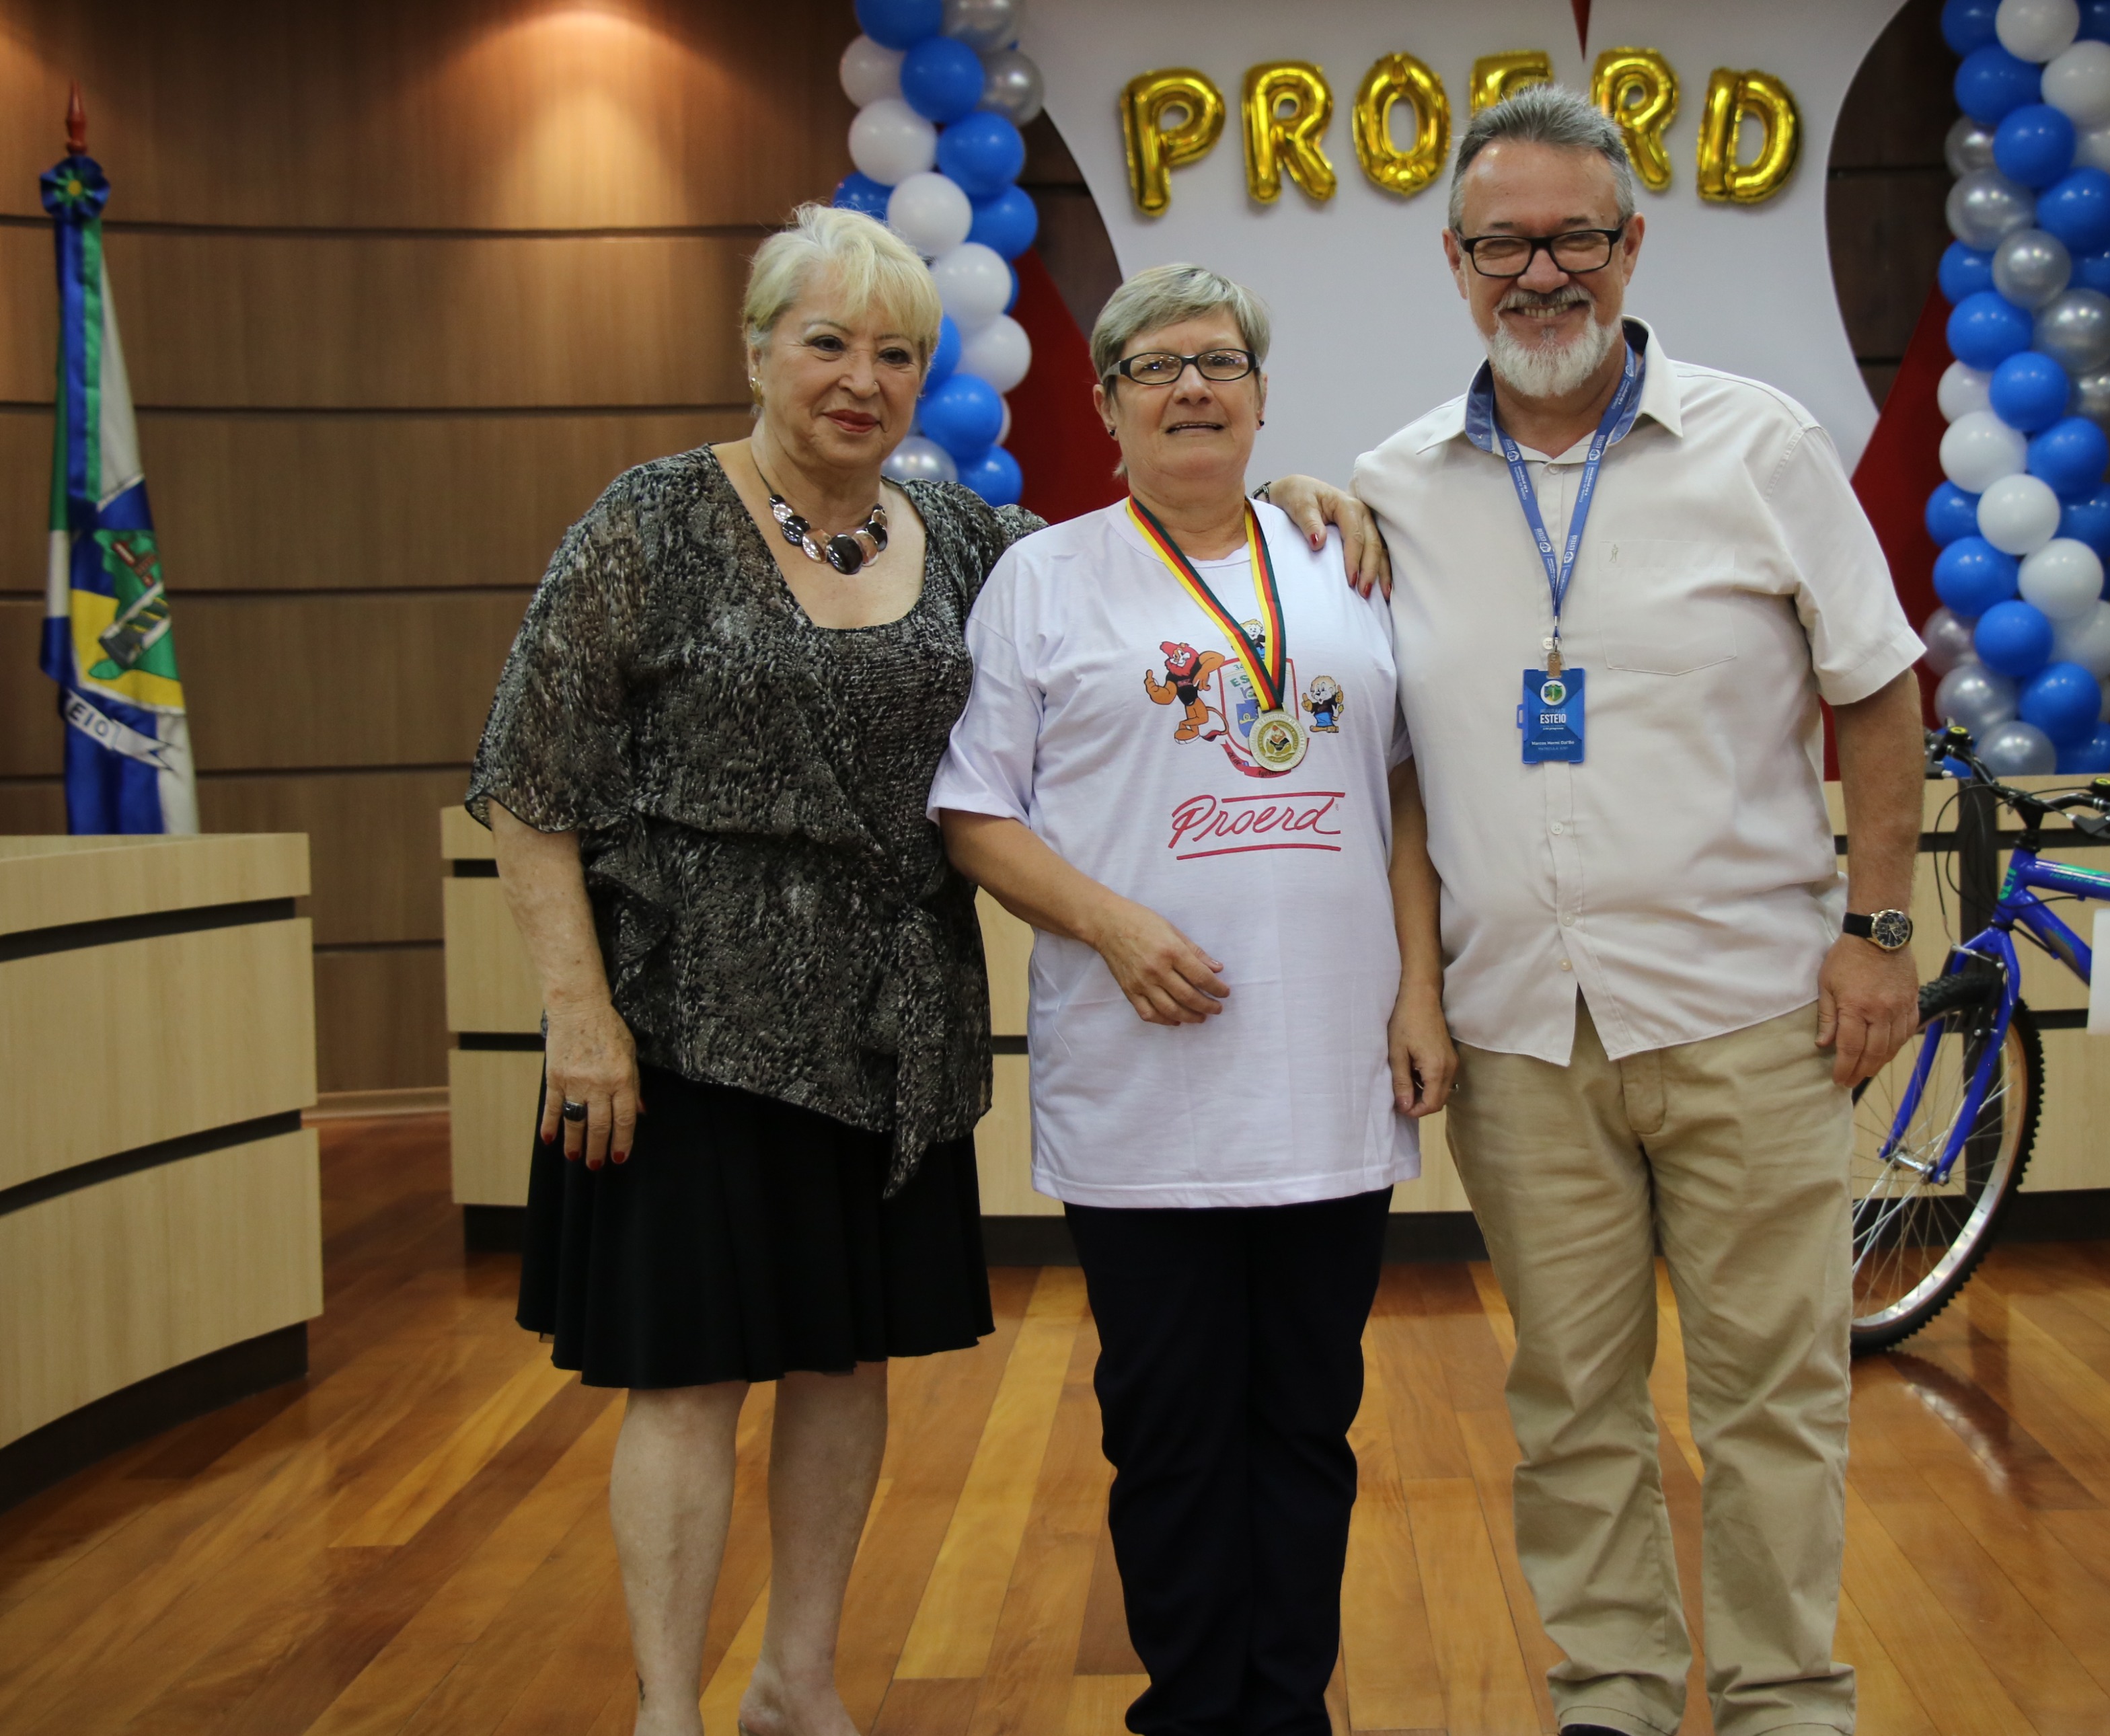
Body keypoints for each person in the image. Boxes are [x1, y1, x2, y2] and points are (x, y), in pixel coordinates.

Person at [465, 206, 1381, 1736]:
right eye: (827, 342)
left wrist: (1288, 499)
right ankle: (666, 1710)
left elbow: (1155, 566)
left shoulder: (964, 539)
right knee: (688, 1378)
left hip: (894, 1036)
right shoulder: (652, 520)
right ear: (756, 349)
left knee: (844, 1366)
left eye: (896, 353)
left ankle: (796, 1681)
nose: (863, 379)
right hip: (690, 1024)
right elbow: (527, 773)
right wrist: (578, 1011)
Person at [1349, 88, 1925, 1736]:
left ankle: (1783, 1697)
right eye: (1504, 245)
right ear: (1455, 262)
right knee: (1568, 1400)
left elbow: (1878, 690)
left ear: (1631, 245)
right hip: (1522, 1033)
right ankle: (1611, 1690)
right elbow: (1396, 762)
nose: (1542, 273)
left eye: (1574, 238)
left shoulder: (1762, 445)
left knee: (1773, 1396)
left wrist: (1880, 931)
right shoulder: (1393, 489)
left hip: (1752, 1012)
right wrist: (1416, 981)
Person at [930, 263, 1452, 1736]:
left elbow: (1406, 793)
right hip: (1143, 1093)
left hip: (1328, 1075)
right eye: (1154, 368)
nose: (1190, 389)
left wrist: (1421, 990)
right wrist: (1111, 926)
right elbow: (974, 814)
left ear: (1263, 396)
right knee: (1167, 1432)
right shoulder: (1045, 580)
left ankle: (1285, 1713)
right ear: (1107, 406)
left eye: (1219, 362)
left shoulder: (1346, 563)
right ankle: (1187, 1713)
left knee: (1307, 1423)